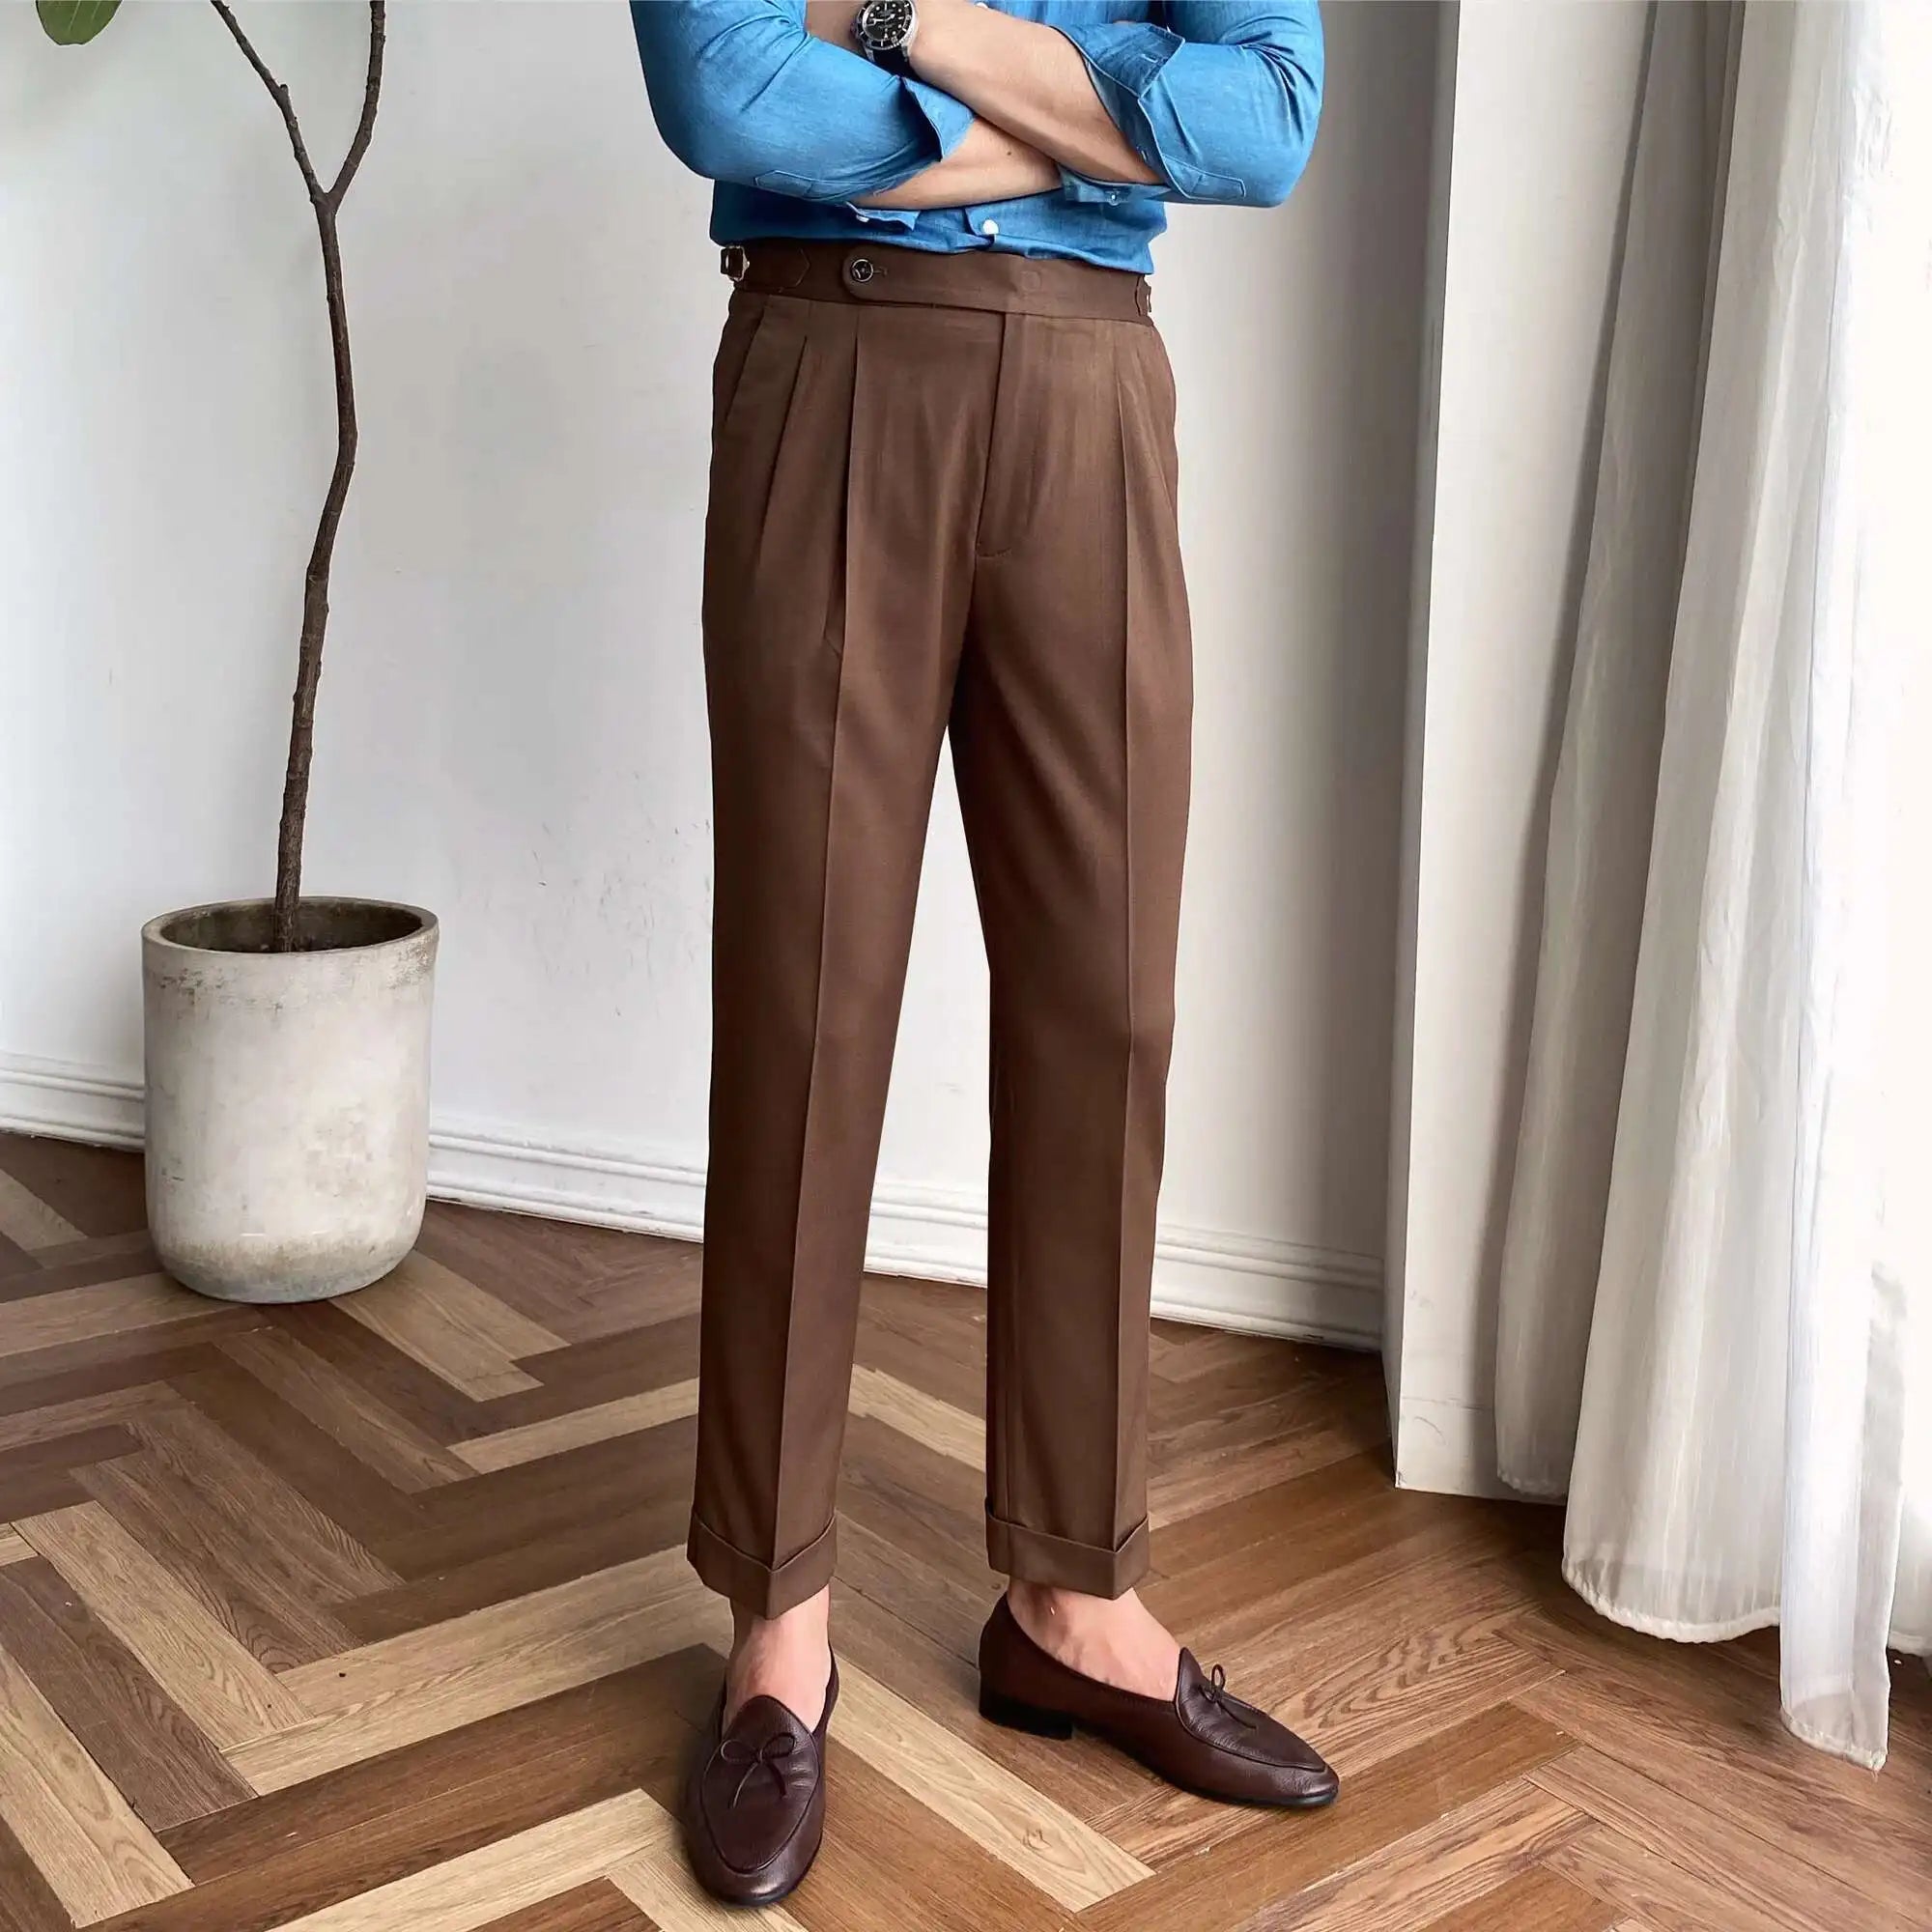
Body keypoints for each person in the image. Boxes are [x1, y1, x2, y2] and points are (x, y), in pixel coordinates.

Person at [628, 0, 1335, 1904]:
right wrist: (1089, 134)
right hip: (832, 355)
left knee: (1110, 1004)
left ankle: (1075, 1599)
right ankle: (777, 1626)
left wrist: (893, 24)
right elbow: (718, 85)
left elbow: (1267, 120)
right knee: (807, 1006)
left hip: (1093, 389)